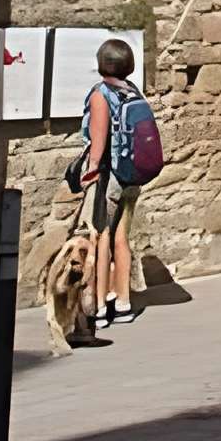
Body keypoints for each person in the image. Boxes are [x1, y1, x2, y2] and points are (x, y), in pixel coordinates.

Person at [79, 37, 145, 329]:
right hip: (133, 174)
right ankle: (124, 302)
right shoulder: (132, 91)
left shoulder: (101, 94)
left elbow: (99, 139)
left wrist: (90, 171)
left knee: (102, 235)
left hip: (109, 175)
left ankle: (102, 305)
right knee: (122, 236)